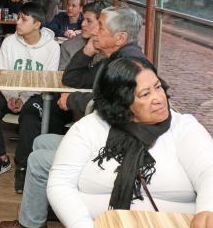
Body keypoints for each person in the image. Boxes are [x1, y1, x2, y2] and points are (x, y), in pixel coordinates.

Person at [0, 6, 145, 228]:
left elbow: (118, 108)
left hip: (116, 154)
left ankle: (30, 225)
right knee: (41, 141)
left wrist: (74, 101)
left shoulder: (127, 67)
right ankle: (52, 207)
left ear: (120, 37)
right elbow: (73, 78)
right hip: (107, 140)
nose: (95, 32)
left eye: (101, 27)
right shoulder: (113, 60)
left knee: (37, 161)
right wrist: (87, 50)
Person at [48, 57, 213, 228]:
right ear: (122, 102)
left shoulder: (183, 127)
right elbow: (61, 183)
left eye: (158, 87)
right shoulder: (89, 128)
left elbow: (209, 170)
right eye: (145, 94)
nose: (158, 98)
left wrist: (208, 208)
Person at [0, 2, 60, 194]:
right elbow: (2, 74)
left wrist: (22, 99)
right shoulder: (9, 42)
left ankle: (22, 166)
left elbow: (46, 81)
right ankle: (1, 158)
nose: (18, 22)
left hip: (36, 94)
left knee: (30, 117)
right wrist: (11, 97)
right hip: (9, 91)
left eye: (24, 19)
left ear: (37, 24)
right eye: (18, 17)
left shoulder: (52, 47)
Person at [58, 0, 106, 70]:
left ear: (102, 23)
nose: (82, 24)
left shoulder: (110, 46)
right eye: (83, 19)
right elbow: (63, 76)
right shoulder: (68, 47)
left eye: (89, 21)